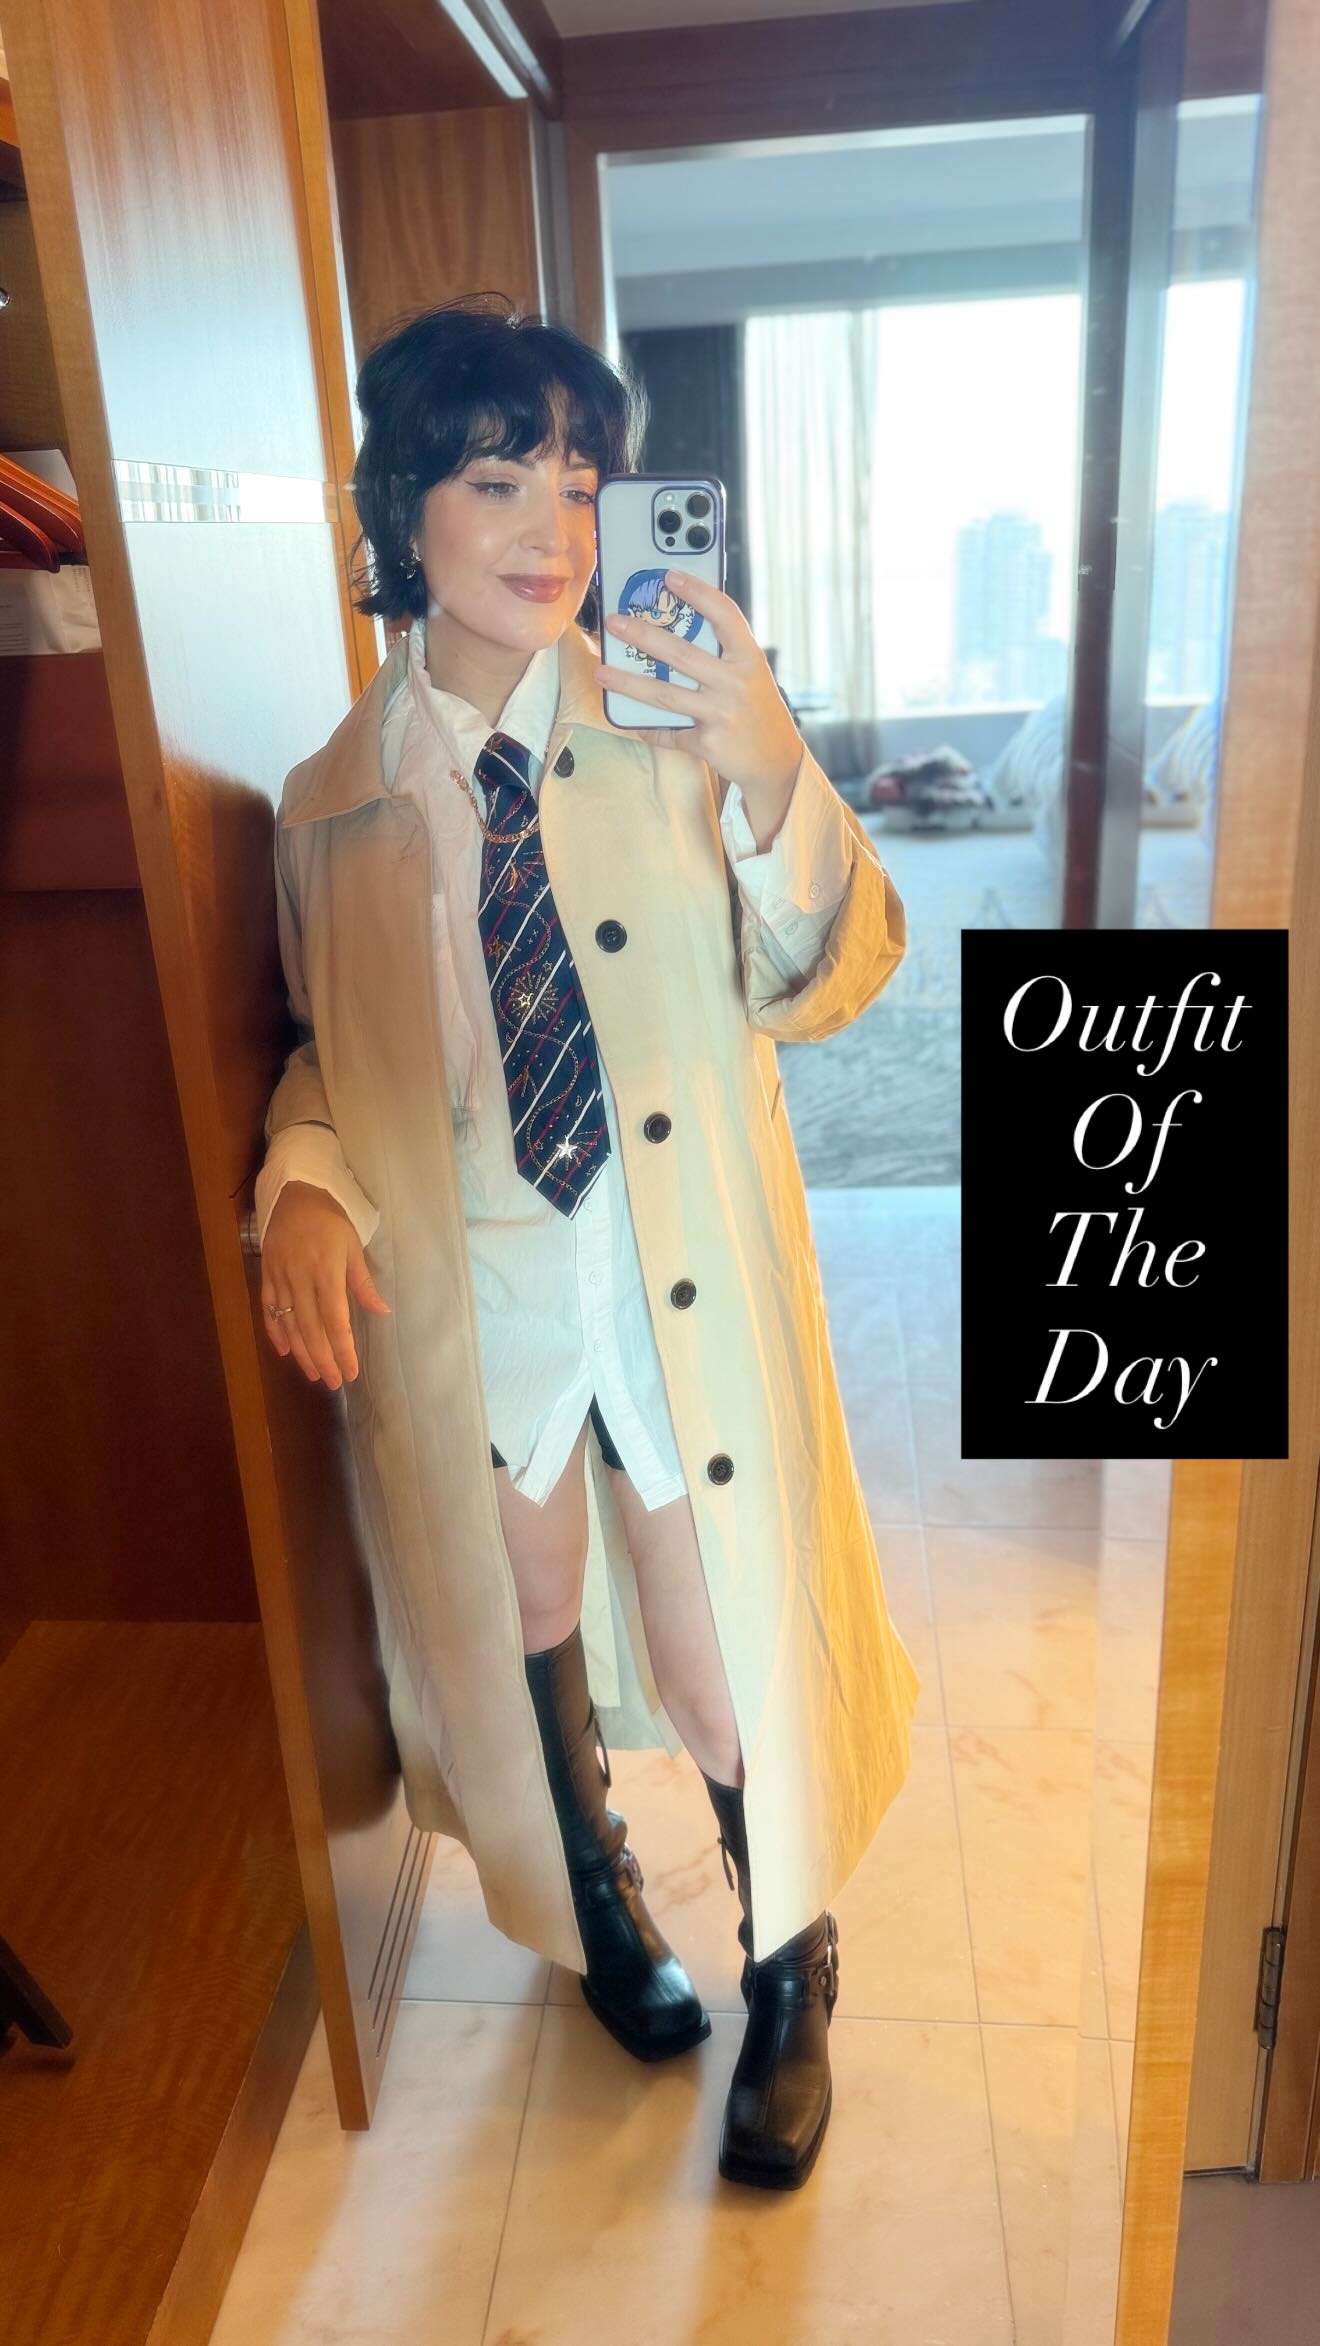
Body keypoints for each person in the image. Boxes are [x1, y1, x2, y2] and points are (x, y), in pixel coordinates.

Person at [255, 293, 921, 2193]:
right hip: (478, 1286)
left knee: (718, 1656)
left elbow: (834, 972)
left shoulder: (676, 726)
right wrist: (300, 1175)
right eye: (496, 477)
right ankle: (601, 1908)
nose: (552, 524)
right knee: (521, 1614)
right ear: (404, 508)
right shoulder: (330, 799)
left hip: (664, 1263)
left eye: (577, 477)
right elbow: (324, 1046)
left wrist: (771, 757)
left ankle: (790, 1963)